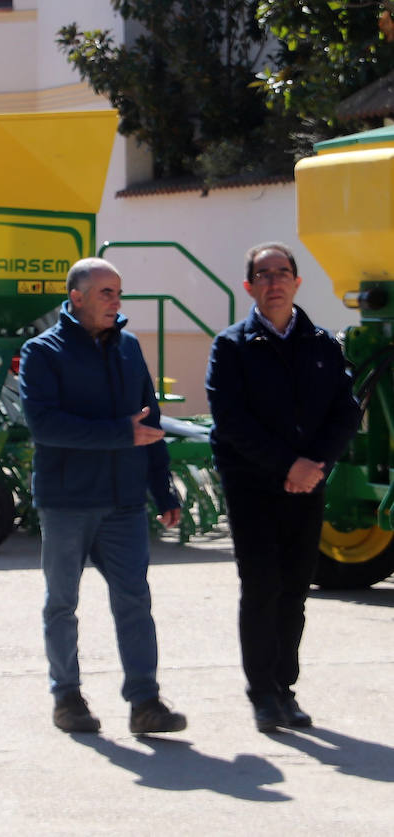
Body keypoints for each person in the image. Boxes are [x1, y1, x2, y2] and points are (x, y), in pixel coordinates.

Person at [19, 257, 187, 736]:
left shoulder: (130, 348)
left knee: (134, 600)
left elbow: (148, 421)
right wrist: (120, 434)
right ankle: (67, 698)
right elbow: (44, 425)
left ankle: (145, 703)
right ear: (76, 297)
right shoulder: (42, 352)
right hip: (68, 502)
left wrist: (162, 487)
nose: (116, 302)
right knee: (62, 603)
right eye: (105, 293)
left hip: (124, 503)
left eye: (118, 292)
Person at [205, 242, 360, 732]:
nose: (274, 281)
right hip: (252, 485)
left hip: (306, 482)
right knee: (261, 586)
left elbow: (345, 410)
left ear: (297, 282)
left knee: (295, 587)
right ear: (249, 287)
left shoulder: (322, 345)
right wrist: (286, 465)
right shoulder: (230, 346)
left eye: (283, 273)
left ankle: (285, 687)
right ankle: (262, 694)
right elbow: (230, 421)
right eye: (263, 274)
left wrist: (315, 465)